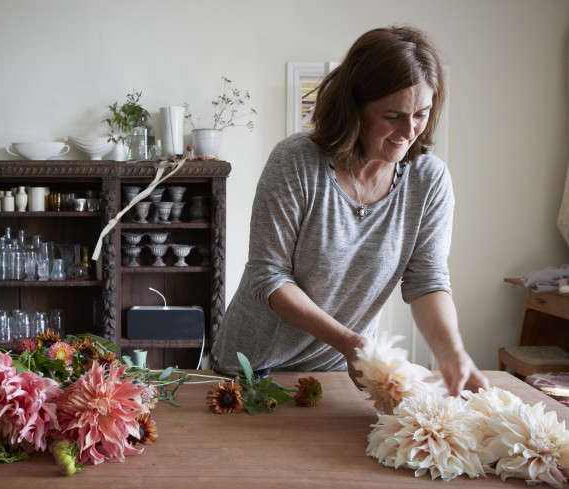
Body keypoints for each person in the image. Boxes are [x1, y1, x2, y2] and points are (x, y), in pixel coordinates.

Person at [210, 26, 489, 396]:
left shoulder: (428, 180)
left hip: (341, 373)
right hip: (252, 368)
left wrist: (452, 354)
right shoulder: (296, 162)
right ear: (354, 107)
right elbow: (269, 278)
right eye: (393, 116)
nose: (409, 131)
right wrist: (347, 342)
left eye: (421, 114)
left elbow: (427, 281)